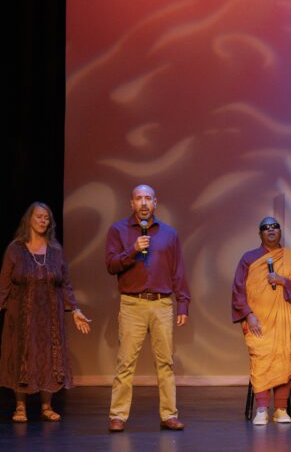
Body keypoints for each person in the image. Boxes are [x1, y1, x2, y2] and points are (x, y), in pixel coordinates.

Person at [0, 202, 92, 422]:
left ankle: (46, 406)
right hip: (21, 314)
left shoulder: (56, 251)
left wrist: (75, 309)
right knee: (23, 355)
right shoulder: (15, 249)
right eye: (38, 217)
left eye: (46, 218)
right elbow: (4, 281)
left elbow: (65, 283)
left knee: (49, 355)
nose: (42, 221)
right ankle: (20, 407)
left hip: (50, 314)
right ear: (29, 219)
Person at [105, 185, 190, 432]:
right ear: (131, 203)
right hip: (132, 303)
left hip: (162, 303)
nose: (143, 203)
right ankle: (118, 416)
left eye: (148, 199)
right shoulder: (118, 231)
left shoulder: (169, 234)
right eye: (139, 198)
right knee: (125, 362)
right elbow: (111, 265)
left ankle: (169, 415)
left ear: (155, 203)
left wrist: (183, 302)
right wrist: (132, 250)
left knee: (165, 363)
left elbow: (178, 270)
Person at [232, 217, 291, 425]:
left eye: (275, 227)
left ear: (280, 232)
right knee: (261, 357)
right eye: (266, 228)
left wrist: (283, 281)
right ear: (259, 234)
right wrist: (249, 315)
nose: (271, 231)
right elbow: (238, 291)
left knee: (284, 358)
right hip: (256, 320)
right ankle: (261, 409)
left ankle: (281, 409)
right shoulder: (248, 258)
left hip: (283, 320)